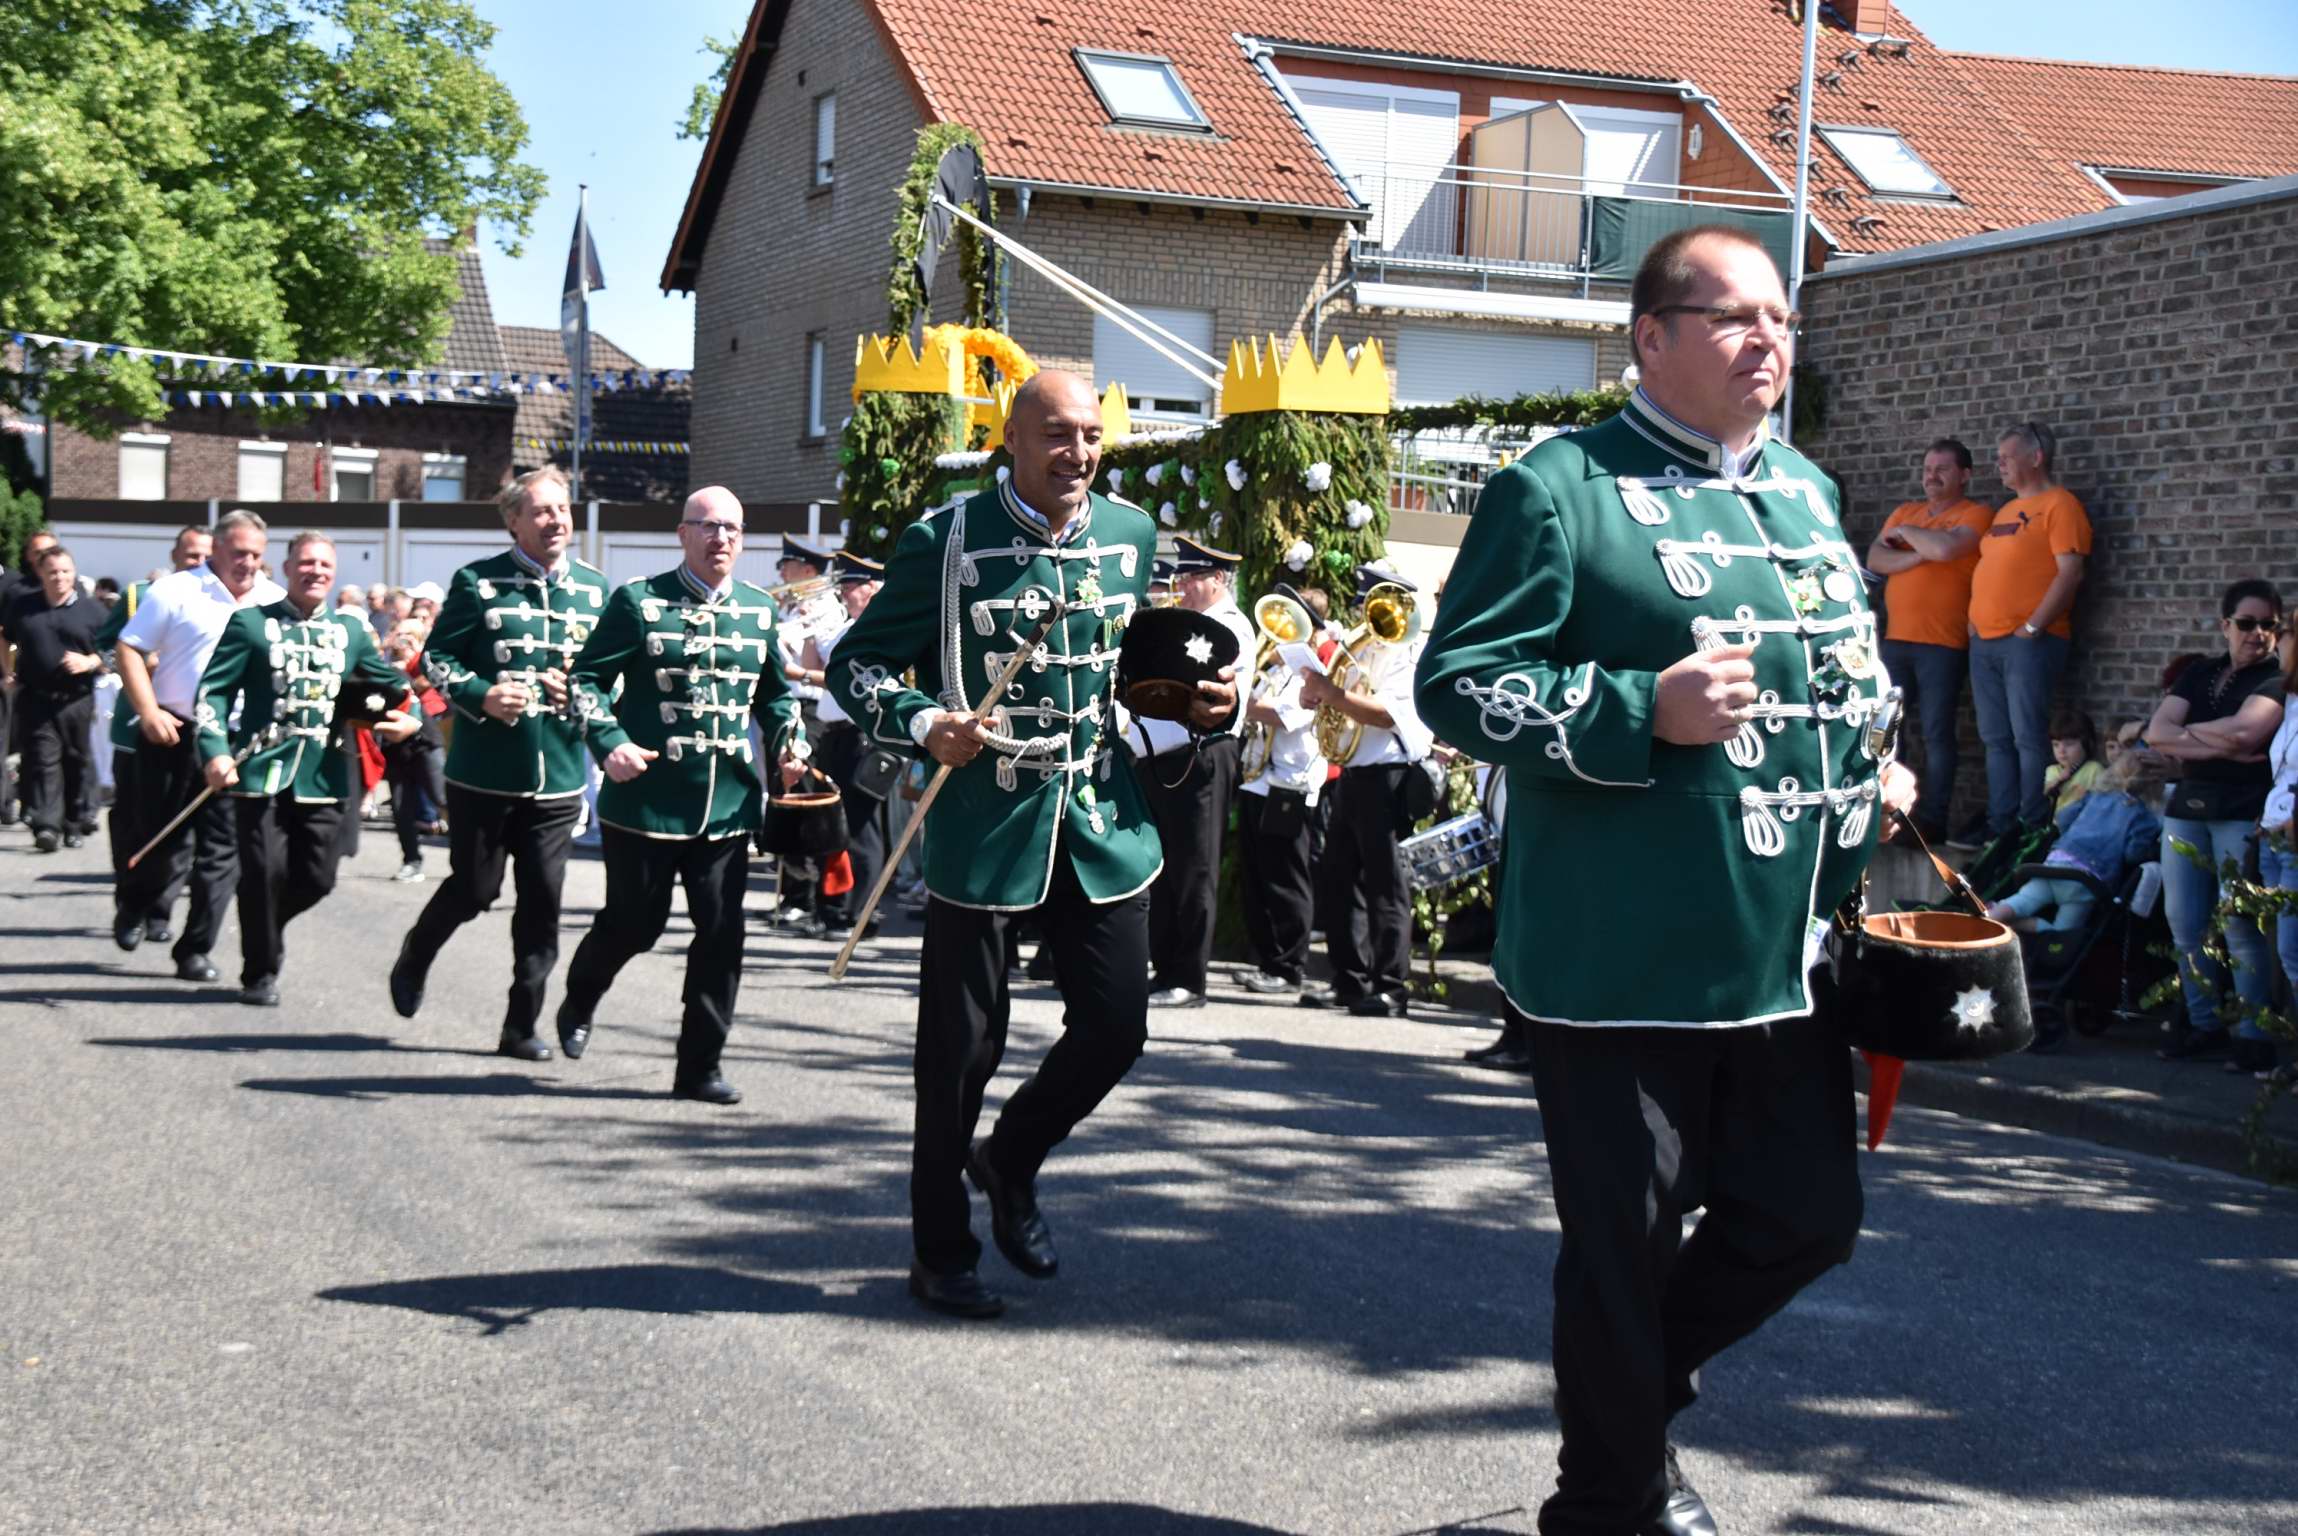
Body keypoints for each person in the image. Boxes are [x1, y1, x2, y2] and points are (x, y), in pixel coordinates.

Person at [1415, 225, 1916, 1536]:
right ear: (1652, 337)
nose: (1768, 341)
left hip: (1783, 953)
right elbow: (1457, 685)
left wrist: (1873, 756)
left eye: (1781, 320)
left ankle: (1629, 1397)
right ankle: (1609, 1494)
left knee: (1807, 1219)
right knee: (1622, 1251)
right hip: (1618, 953)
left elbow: (1834, 673)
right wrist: (1642, 709)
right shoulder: (1558, 488)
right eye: (1736, 317)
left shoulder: (1805, 489)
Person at [827, 370, 1233, 1321]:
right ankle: (941, 1251)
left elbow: (1132, 668)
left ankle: (1010, 1157)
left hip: (1097, 814)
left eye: (1090, 435)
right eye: (1056, 434)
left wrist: (1205, 703)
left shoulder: (1132, 535)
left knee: (1117, 1027)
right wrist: (925, 723)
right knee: (959, 1054)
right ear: (1009, 440)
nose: (1077, 453)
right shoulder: (945, 540)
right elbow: (858, 665)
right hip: (985, 817)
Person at [556, 487, 806, 1104]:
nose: (722, 538)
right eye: (708, 526)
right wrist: (609, 741)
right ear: (683, 533)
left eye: (733, 529)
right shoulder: (639, 600)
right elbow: (586, 680)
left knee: (721, 935)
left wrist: (789, 742)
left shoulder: (758, 609)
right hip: (646, 799)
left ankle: (700, 1065)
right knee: (633, 926)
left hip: (726, 805)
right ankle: (581, 995)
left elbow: (774, 696)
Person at [388, 466, 610, 1059]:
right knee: (475, 888)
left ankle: (521, 1025)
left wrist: (580, 690)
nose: (555, 520)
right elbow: (436, 659)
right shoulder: (478, 581)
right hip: (484, 772)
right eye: (541, 511)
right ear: (514, 521)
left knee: (542, 903)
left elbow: (610, 675)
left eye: (562, 509)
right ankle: (416, 953)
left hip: (557, 777)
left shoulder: (595, 590)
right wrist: (481, 694)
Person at [195, 531, 417, 1007]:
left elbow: (389, 684)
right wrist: (215, 751)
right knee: (262, 873)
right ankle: (260, 972)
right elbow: (213, 692)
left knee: (318, 878)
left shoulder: (351, 632)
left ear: (334, 574)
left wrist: (410, 714)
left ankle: (264, 926)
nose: (315, 571)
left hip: (326, 775)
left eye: (325, 565)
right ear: (287, 568)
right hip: (260, 771)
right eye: (306, 562)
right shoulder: (250, 623)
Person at [112, 511, 287, 981]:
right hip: (174, 732)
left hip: (236, 742)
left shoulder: (274, 601)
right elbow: (129, 648)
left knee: (222, 851)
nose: (248, 563)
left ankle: (194, 948)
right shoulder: (175, 590)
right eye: (239, 552)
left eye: (256, 554)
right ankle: (135, 901)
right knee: (160, 838)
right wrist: (148, 710)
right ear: (217, 548)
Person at [2146, 579, 2287, 1073]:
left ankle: (2252, 1035)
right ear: (2225, 625)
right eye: (2246, 623)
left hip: (2241, 809)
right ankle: (2203, 1024)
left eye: (2268, 625)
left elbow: (2247, 733)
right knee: (2185, 925)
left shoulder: (2276, 677)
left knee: (2240, 926)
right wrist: (2218, 742)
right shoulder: (2200, 672)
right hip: (2187, 809)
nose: (2257, 633)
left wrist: (2186, 737)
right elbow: (2156, 732)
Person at [1297, 563, 1434, 1018]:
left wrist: (1332, 695)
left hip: (1388, 776)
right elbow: (1336, 701)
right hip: (1355, 775)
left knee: (1385, 886)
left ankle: (1391, 986)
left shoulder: (1405, 651)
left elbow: (1386, 713)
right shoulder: (1362, 648)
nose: (1364, 614)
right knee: (1339, 880)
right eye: (1363, 604)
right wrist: (1314, 695)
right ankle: (1350, 980)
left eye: (1372, 605)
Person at [1129, 534, 1255, 1009]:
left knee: (1195, 869)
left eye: (1191, 577)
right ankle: (1165, 969)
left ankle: (1189, 978)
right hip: (1165, 756)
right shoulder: (1195, 622)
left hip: (1203, 753)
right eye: (1180, 576)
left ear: (1217, 579)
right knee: (1165, 869)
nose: (1180, 585)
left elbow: (1206, 693)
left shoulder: (1229, 628)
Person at [1966, 421, 2090, 840]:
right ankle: (2001, 826)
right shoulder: (2004, 511)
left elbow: (2070, 572)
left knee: (2028, 737)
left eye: (2007, 457)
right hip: (1985, 640)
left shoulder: (2061, 505)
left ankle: (2029, 825)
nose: (1998, 464)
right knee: (1995, 738)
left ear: (2036, 458)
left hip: (2029, 642)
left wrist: (2034, 625)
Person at [1867, 438, 1991, 842]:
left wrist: (1907, 535)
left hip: (1943, 643)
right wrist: (1921, 553)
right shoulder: (1907, 510)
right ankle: (1886, 813)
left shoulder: (1975, 513)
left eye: (1942, 469)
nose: (1931, 476)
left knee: (1937, 733)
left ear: (1964, 475)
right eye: (1927, 469)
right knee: (1888, 730)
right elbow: (1875, 559)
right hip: (1896, 640)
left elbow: (1949, 548)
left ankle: (1932, 819)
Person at [94, 526, 214, 942]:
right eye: (192, 555)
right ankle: (131, 900)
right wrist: (139, 665)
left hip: (186, 730)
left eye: (206, 555)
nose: (199, 563)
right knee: (134, 821)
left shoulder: (223, 601)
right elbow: (106, 646)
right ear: (175, 556)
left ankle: (160, 912)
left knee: (180, 826)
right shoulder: (142, 595)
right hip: (137, 726)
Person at [1235, 582, 1329, 998]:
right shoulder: (1274, 668)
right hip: (1257, 779)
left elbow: (1288, 715)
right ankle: (1268, 961)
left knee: (1286, 878)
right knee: (1257, 876)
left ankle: (1289, 966)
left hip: (1290, 783)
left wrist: (1240, 703)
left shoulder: (1311, 671)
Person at [794, 549, 890, 939]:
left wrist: (803, 671)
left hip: (861, 737)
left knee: (862, 830)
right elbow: (812, 666)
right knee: (836, 826)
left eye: (850, 585)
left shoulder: (878, 627)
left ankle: (862, 912)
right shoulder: (845, 627)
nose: (843, 592)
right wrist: (808, 627)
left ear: (872, 588)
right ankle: (835, 907)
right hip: (836, 735)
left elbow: (834, 671)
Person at [1, 543, 106, 851]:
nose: (59, 577)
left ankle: (73, 821)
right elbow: (4, 637)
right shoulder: (24, 606)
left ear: (74, 573)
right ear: (41, 574)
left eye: (65, 571)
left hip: (77, 699)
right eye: (53, 572)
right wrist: (8, 671)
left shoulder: (92, 611)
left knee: (75, 762)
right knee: (43, 760)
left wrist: (89, 661)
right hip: (36, 697)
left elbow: (112, 650)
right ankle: (47, 825)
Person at [764, 534, 844, 934]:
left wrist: (804, 627)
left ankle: (804, 895)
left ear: (808, 570)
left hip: (808, 709)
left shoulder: (825, 608)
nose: (781, 573)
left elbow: (817, 662)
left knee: (801, 797)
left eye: (787, 566)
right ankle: (791, 892)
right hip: (784, 706)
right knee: (781, 794)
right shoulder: (790, 606)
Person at [1985, 749, 2158, 933]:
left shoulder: (2095, 796)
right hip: (2087, 879)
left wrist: (2071, 837)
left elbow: (2064, 818)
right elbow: (2133, 854)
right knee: (2063, 931)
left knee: (2021, 902)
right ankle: (2018, 927)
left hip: (2056, 863)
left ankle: (1989, 919)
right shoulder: (2144, 818)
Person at [2256, 634, 2298, 1085]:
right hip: (2273, 835)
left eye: (2284, 635)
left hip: (2293, 842)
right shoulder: (2290, 702)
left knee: (2293, 951)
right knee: (2285, 954)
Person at [377, 618, 449, 882]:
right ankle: (412, 860)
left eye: (408, 636)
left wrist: (415, 653)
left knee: (443, 797)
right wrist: (385, 649)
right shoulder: (384, 665)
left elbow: (431, 676)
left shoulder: (423, 661)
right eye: (399, 634)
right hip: (396, 747)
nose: (402, 641)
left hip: (425, 740)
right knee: (401, 807)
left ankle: (473, 854)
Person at [2042, 709, 2103, 816]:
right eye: (2056, 745)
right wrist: (2059, 780)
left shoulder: (2094, 769)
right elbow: (2047, 791)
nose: (2061, 751)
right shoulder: (2053, 770)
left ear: (2087, 744)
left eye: (2069, 744)